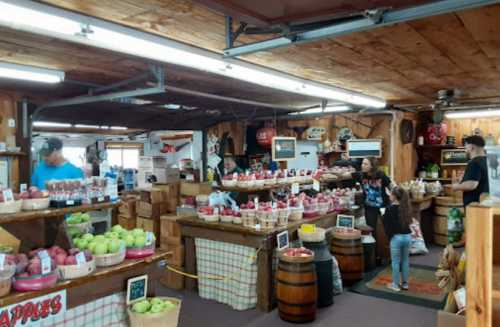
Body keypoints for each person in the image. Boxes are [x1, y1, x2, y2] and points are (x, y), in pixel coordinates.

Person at [383, 186, 412, 292]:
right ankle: (405, 284)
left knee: (395, 262)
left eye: (391, 194)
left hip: (396, 237)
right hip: (408, 236)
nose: (389, 195)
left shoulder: (389, 209)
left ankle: (395, 284)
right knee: (405, 261)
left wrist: (389, 237)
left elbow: (387, 225)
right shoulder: (406, 207)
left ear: (394, 197)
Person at [352, 157, 392, 234]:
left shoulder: (381, 174)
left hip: (383, 206)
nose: (362, 165)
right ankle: (373, 245)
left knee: (388, 227)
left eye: (365, 164)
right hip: (369, 208)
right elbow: (346, 175)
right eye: (362, 163)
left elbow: (390, 186)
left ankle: (389, 245)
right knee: (371, 229)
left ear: (372, 166)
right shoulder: (360, 175)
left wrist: (397, 198)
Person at [451, 135, 489, 207]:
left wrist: (455, 186)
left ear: (472, 147)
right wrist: (464, 179)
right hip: (486, 206)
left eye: (466, 147)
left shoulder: (474, 162)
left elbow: (471, 185)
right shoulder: (487, 160)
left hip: (475, 207)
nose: (465, 150)